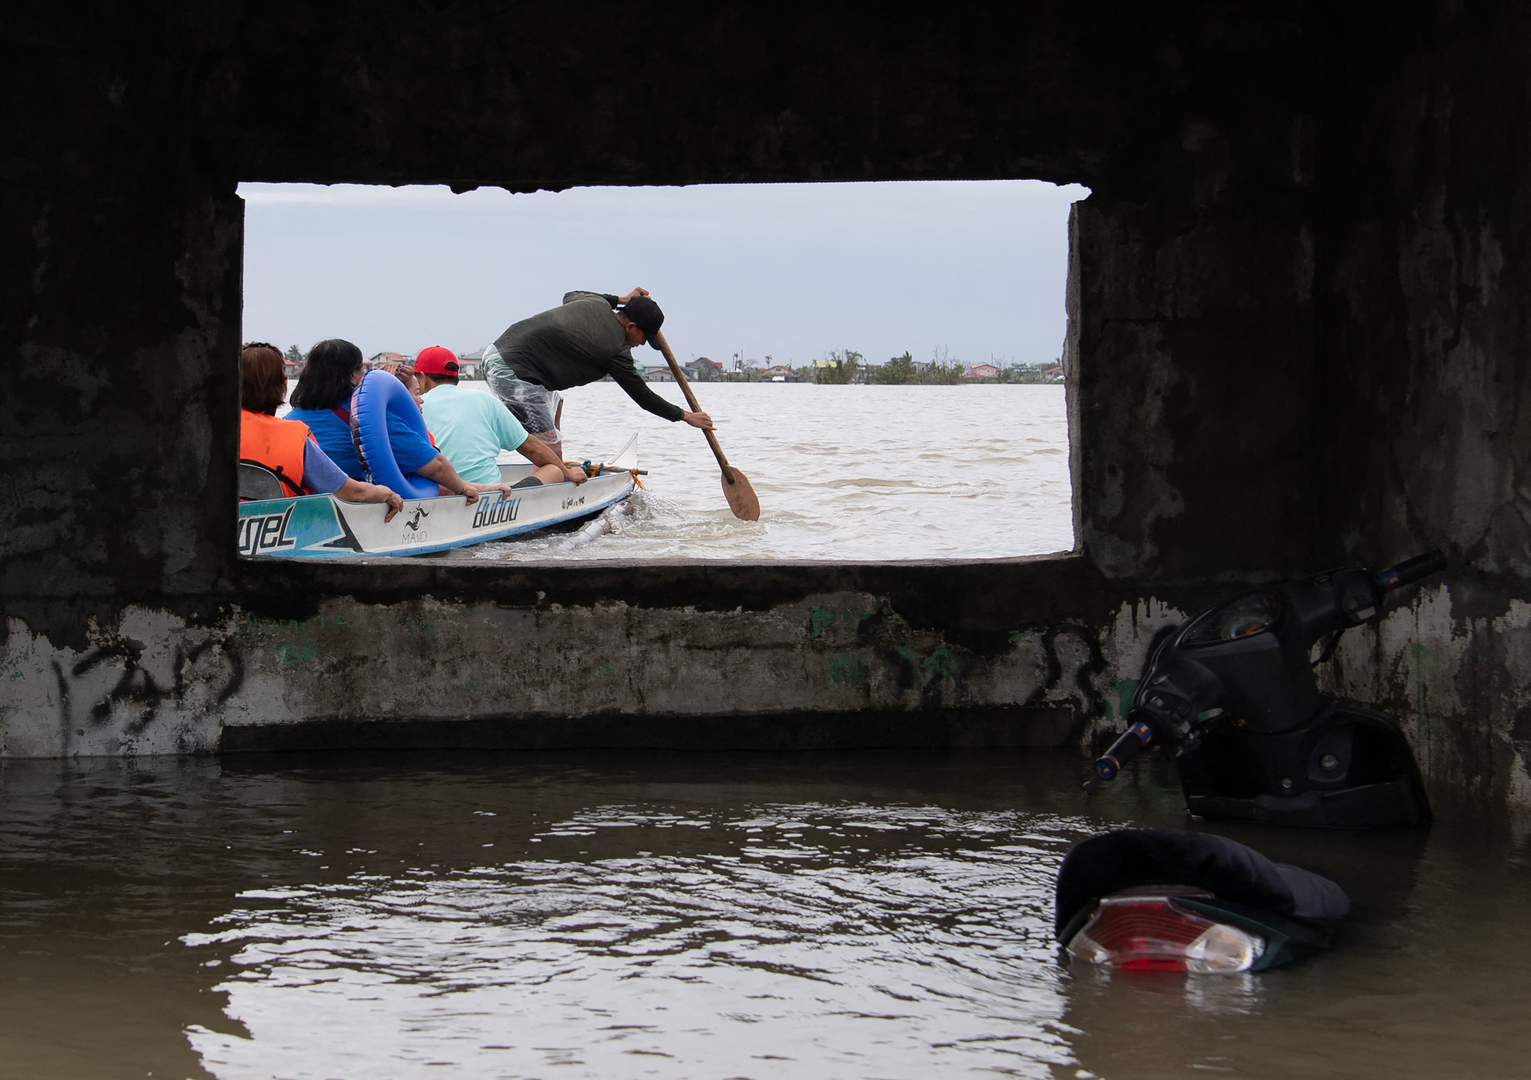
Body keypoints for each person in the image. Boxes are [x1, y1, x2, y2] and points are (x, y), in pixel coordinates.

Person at [481, 287, 713, 460]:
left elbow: (571, 294)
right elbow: (644, 397)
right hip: (513, 371)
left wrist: (621, 299)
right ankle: (548, 487)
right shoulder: (616, 350)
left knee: (555, 409)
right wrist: (686, 416)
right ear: (631, 327)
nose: (642, 344)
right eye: (644, 338)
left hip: (496, 352)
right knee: (550, 447)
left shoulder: (597, 303)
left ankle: (551, 476)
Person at [288, 339, 513, 503]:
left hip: (306, 503)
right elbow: (435, 467)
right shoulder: (368, 419)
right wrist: (465, 487)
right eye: (361, 370)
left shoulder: (291, 420)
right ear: (352, 376)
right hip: (355, 506)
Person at [238, 342, 403, 520]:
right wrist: (386, 493)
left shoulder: (213, 430)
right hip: (280, 528)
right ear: (281, 384)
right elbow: (349, 491)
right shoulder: (293, 436)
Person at [414, 346, 587, 489]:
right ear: (456, 377)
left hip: (438, 492)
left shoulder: (413, 406)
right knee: (554, 470)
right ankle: (516, 499)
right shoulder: (485, 400)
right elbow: (531, 447)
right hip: (487, 492)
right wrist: (568, 473)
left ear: (421, 377)